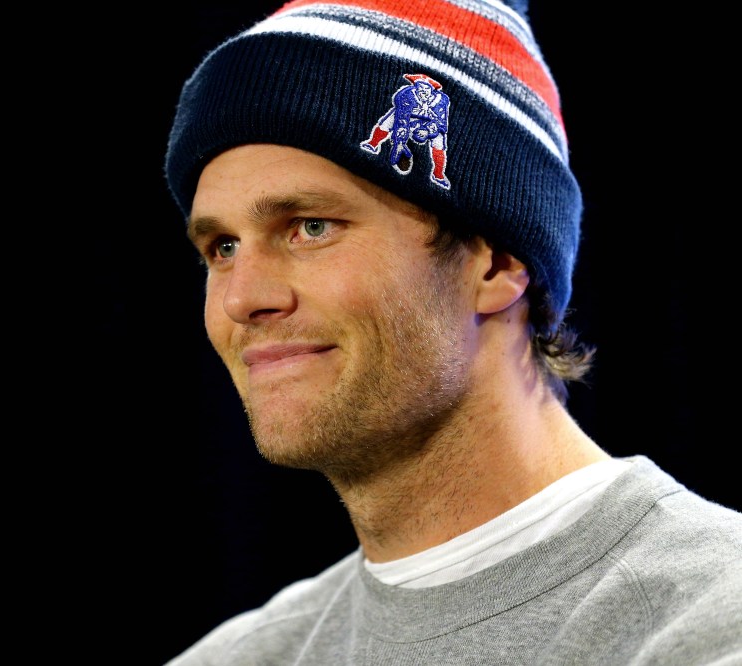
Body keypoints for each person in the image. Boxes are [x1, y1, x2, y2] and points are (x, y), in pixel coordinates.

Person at [162, 0, 742, 663]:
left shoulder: (712, 622)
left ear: (495, 262)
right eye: (222, 248)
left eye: (309, 227)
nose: (242, 299)